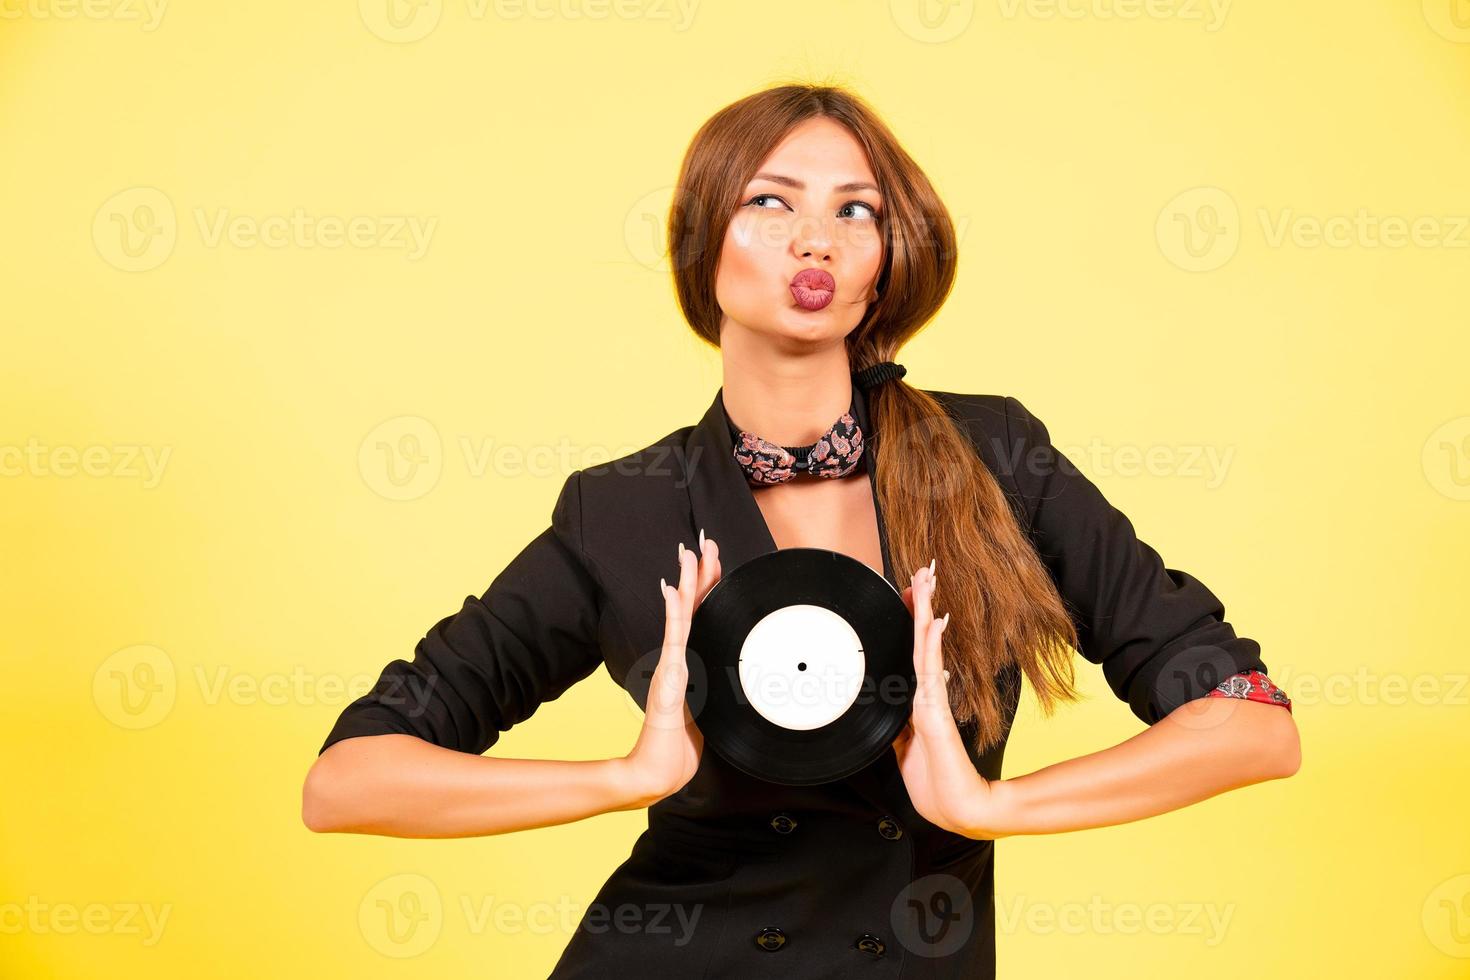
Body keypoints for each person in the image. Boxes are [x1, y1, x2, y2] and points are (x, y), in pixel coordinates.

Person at [301, 84, 1300, 978]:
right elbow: (345, 780)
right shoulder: (625, 506)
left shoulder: (996, 455)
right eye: (771, 202)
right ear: (703, 244)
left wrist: (994, 806)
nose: (814, 238)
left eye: (853, 210)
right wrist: (625, 777)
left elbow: (1252, 720)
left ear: (887, 261)